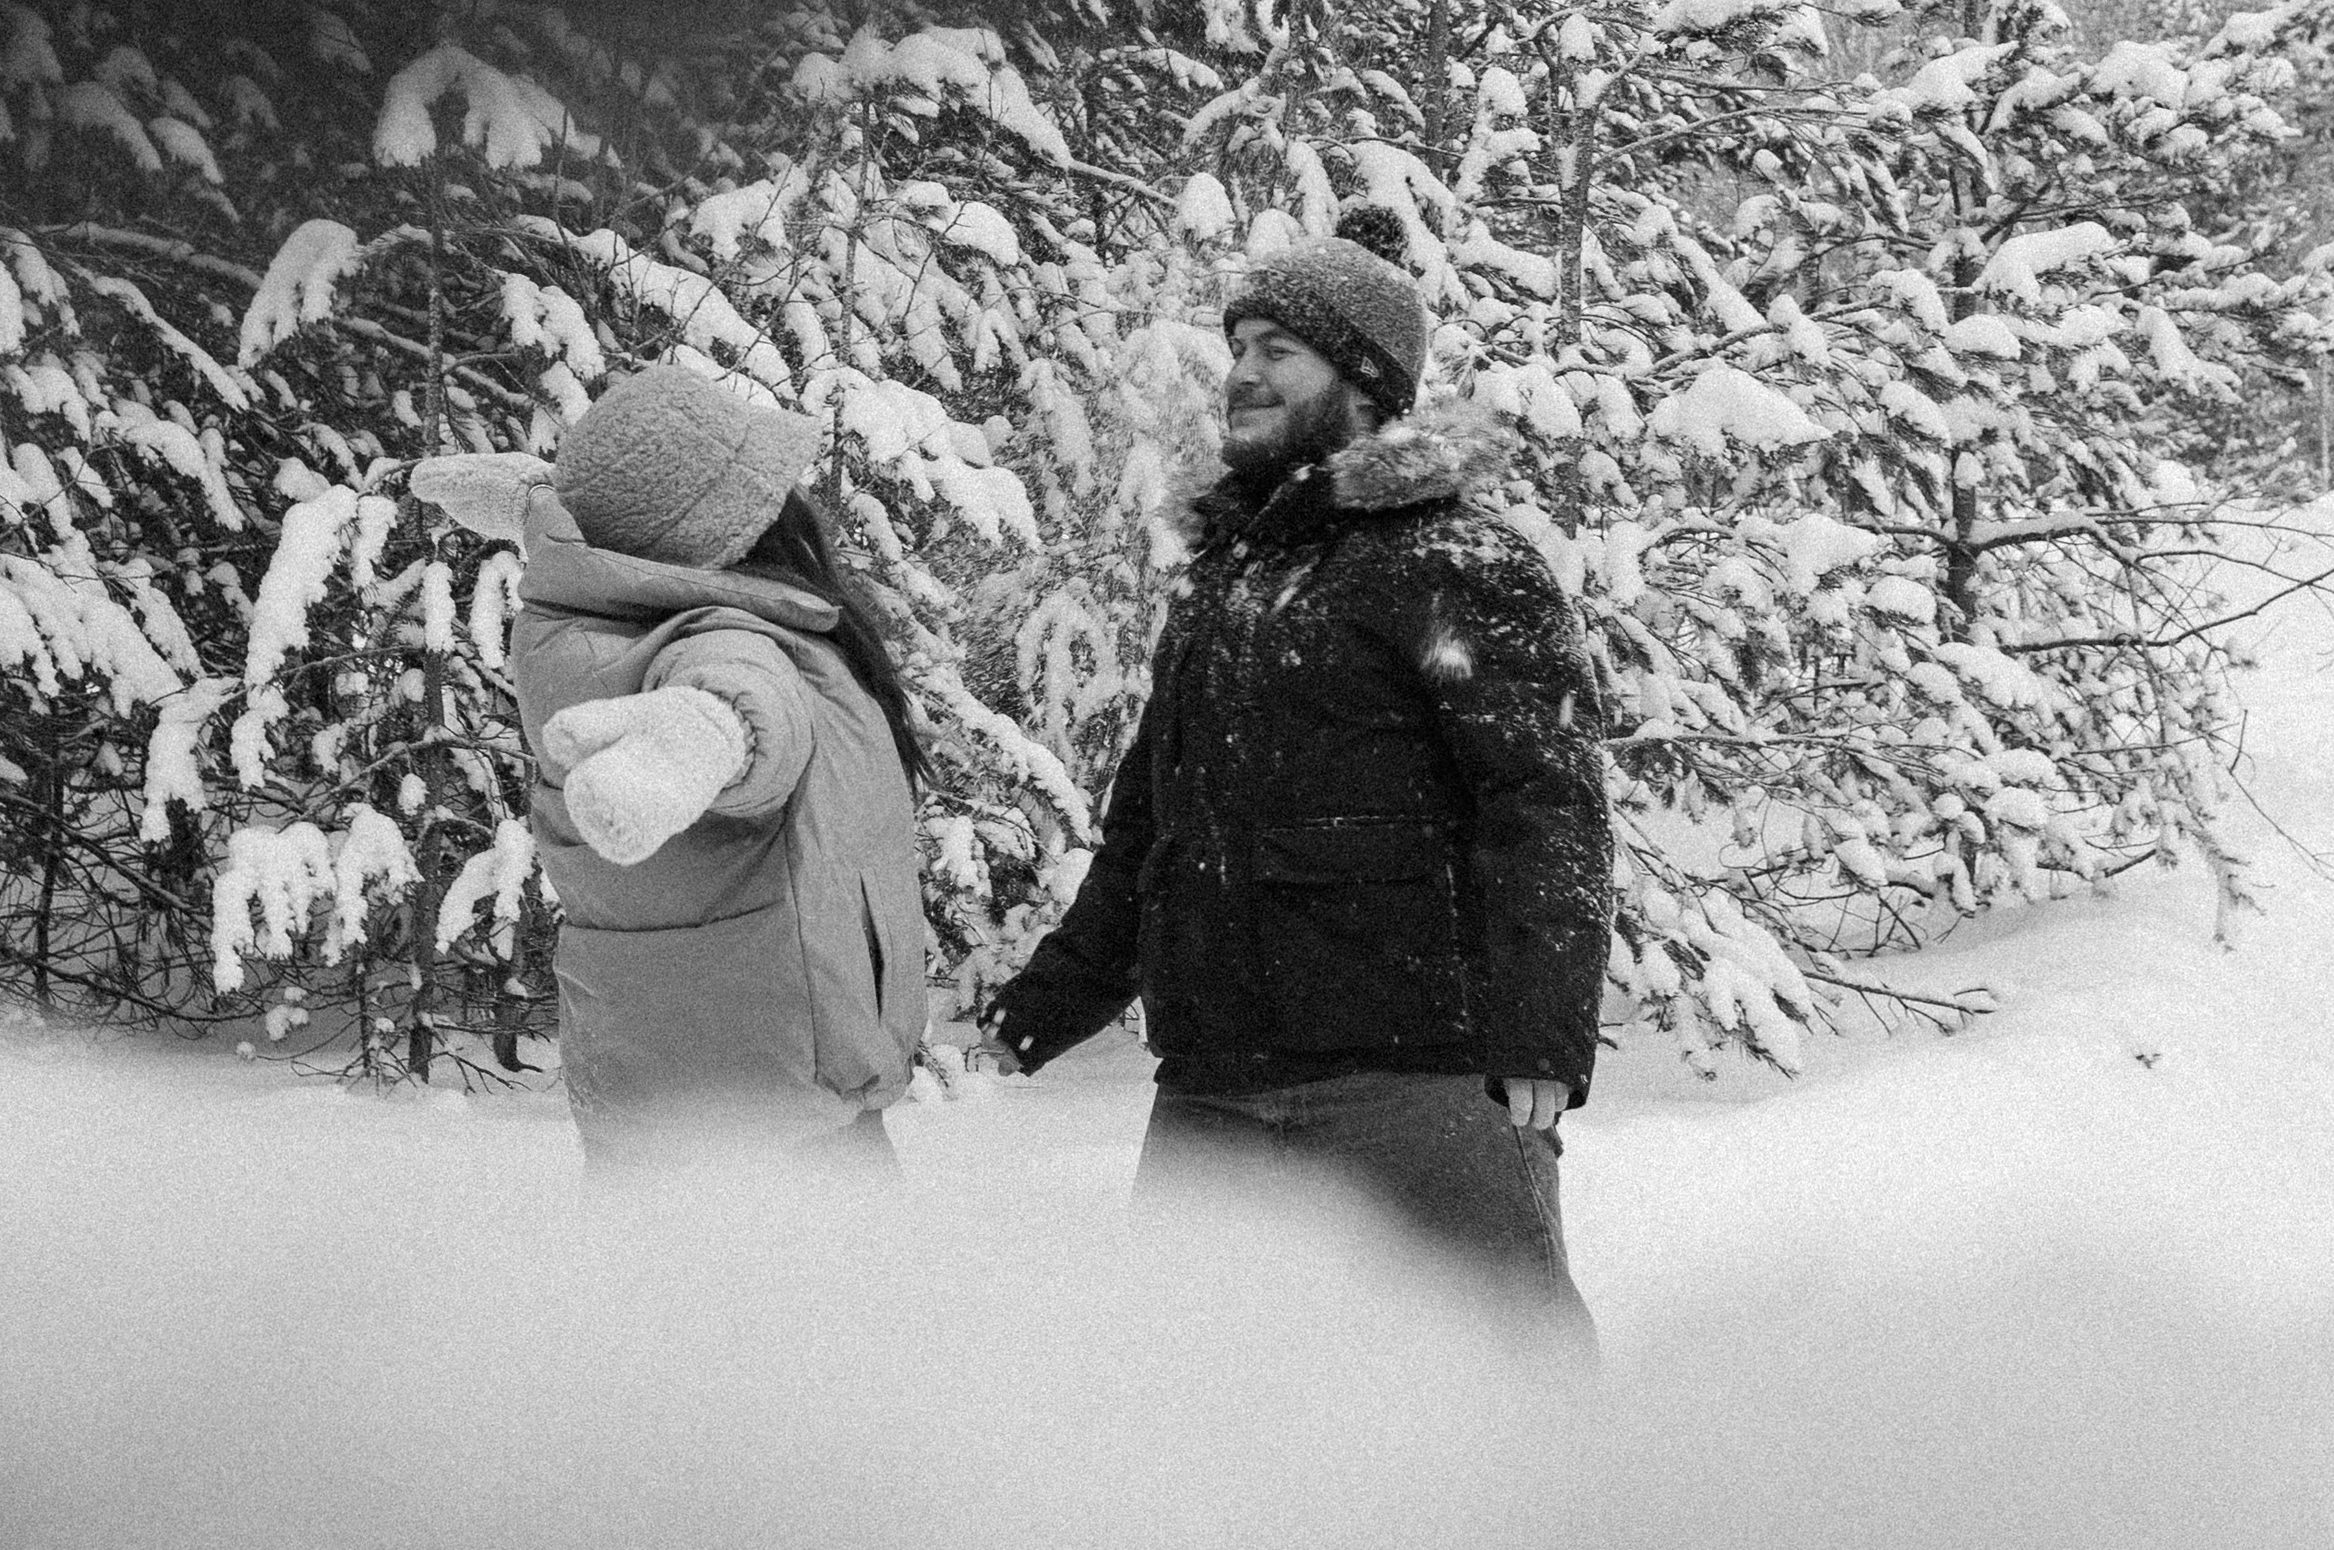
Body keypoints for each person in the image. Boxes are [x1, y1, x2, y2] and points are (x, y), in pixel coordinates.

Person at [981, 207, 1613, 1323]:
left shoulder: (1452, 563)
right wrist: (1037, 1012)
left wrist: (1539, 1039)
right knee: (1190, 1417)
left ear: (1363, 384)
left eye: (1278, 352)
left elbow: (1543, 808)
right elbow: (1151, 833)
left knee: (1499, 1397)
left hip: (1416, 1083)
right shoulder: (1223, 587)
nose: (1241, 374)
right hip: (1213, 1090)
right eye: (1238, 349)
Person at [412, 363, 929, 1167]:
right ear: (734, 532)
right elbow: (743, 705)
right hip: (781, 1134)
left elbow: (614, 528)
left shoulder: (603, 618)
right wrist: (695, 739)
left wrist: (535, 503)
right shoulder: (721, 643)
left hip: (662, 1109)